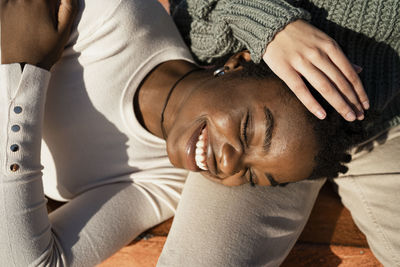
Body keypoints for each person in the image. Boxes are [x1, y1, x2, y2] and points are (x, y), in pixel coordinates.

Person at [0, 1, 399, 267]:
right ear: (237, 61)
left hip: (382, 124)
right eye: (246, 128)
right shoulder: (111, 19)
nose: (227, 163)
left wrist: (23, 73)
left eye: (255, 178)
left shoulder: (165, 181)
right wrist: (272, 25)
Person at [158, 0, 400, 266]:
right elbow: (189, 12)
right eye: (246, 128)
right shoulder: (232, 153)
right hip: (259, 105)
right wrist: (266, 25)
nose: (226, 162)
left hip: (384, 129)